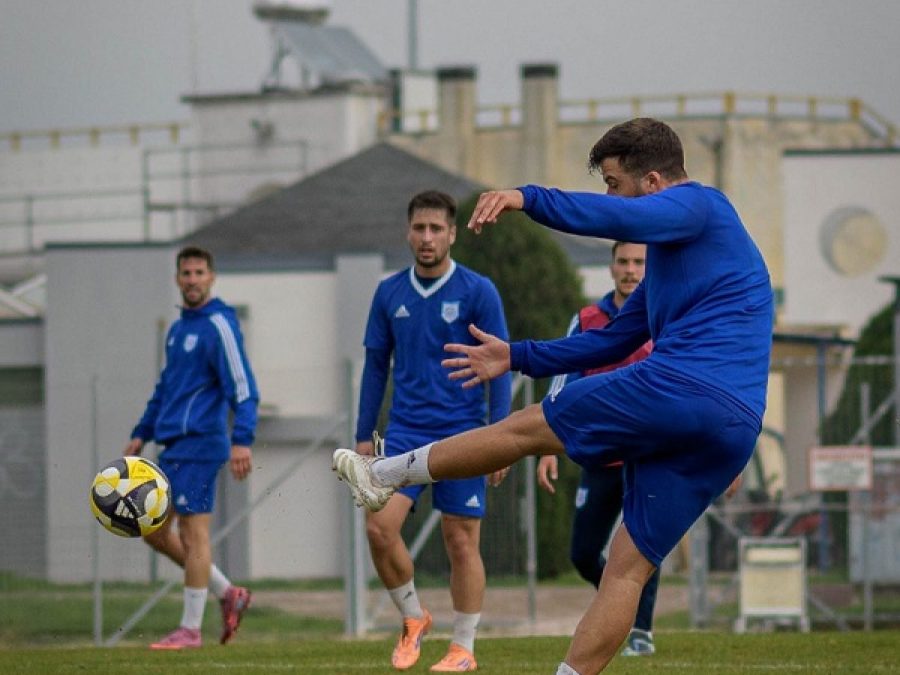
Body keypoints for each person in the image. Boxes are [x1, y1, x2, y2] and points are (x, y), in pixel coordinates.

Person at [333, 118, 773, 675]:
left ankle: (384, 476)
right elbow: (611, 338)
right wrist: (514, 356)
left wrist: (526, 197)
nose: (611, 195)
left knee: (522, 429)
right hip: (733, 427)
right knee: (626, 571)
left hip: (684, 387)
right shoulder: (670, 260)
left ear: (655, 182)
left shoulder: (698, 205)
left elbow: (614, 216)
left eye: (614, 181)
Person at [352, 190, 512, 672]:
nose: (427, 238)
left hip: (464, 434)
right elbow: (375, 366)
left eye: (436, 229)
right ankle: (413, 617)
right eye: (419, 228)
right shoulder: (389, 292)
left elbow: (501, 366)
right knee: (379, 528)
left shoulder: (478, 291)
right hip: (404, 433)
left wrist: (502, 438)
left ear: (452, 233)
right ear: (408, 231)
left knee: (461, 539)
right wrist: (364, 435)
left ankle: (463, 648)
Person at [125, 245, 259, 650]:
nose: (193, 279)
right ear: (178, 279)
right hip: (171, 446)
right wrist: (141, 430)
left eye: (200, 272)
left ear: (211, 277)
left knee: (193, 533)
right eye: (186, 273)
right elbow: (167, 388)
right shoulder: (178, 329)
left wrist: (242, 440)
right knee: (151, 529)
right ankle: (227, 592)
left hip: (203, 444)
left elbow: (243, 387)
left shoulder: (219, 324)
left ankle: (189, 630)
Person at [536, 240, 661, 657]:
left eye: (639, 262)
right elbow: (562, 379)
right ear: (610, 268)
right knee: (583, 552)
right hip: (600, 458)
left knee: (643, 543)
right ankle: (618, 606)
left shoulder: (664, 317)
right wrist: (548, 448)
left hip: (647, 458)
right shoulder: (588, 320)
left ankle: (640, 631)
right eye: (623, 261)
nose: (630, 269)